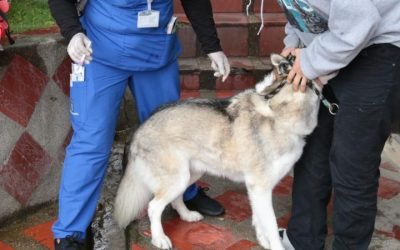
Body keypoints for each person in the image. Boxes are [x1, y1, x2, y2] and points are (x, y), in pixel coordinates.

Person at [48, 0, 230, 249]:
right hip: (99, 51)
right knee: (91, 142)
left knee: (174, 137)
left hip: (156, 51)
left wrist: (212, 46)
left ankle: (184, 192)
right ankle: (71, 230)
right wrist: (73, 32)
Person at [273, 1, 400, 250]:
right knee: (312, 147)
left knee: (352, 163)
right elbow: (298, 8)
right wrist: (294, 43)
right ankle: (302, 239)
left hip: (379, 47)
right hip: (333, 40)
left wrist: (312, 61)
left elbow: (361, 20)